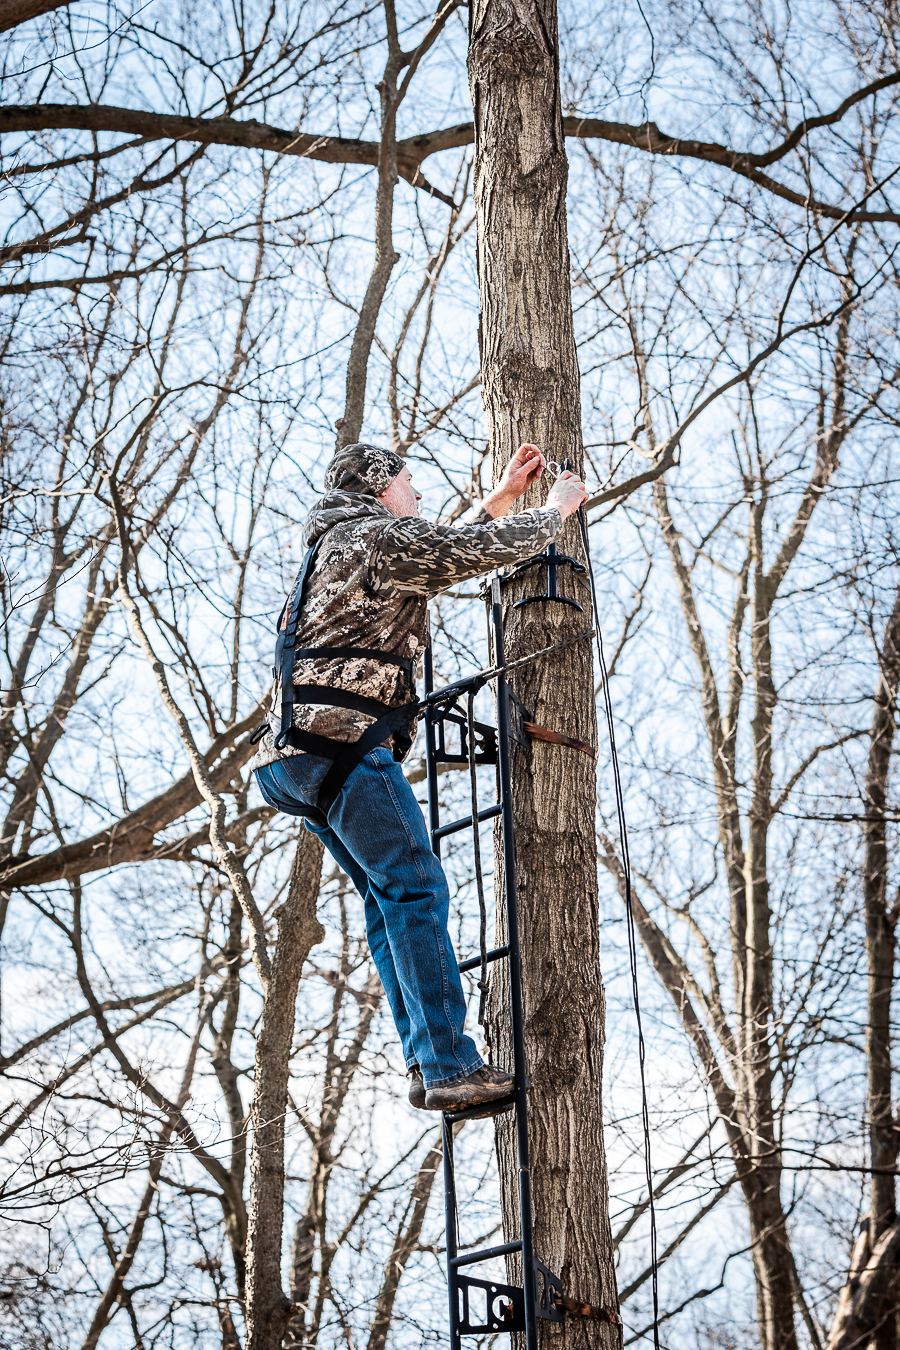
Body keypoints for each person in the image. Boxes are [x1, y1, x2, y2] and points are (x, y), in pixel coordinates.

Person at [252, 441, 588, 1114]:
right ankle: (447, 1065)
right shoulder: (375, 536)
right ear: (381, 489)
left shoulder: (338, 546)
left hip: (296, 760)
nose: (418, 495)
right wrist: (554, 512)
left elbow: (437, 550)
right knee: (415, 889)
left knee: (390, 901)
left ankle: (426, 1061)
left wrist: (497, 500)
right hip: (343, 747)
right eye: (410, 484)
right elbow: (459, 554)